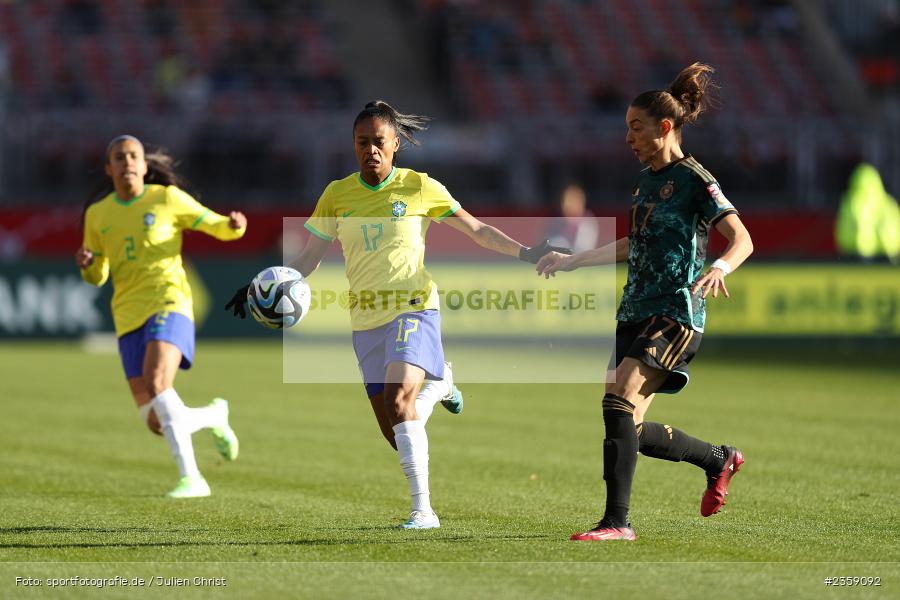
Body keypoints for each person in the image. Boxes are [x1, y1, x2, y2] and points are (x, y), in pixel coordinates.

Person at [226, 100, 568, 529]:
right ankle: (439, 385)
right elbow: (310, 257)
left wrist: (526, 251)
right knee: (397, 430)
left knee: (399, 402)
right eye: (361, 142)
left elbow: (477, 230)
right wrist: (259, 286)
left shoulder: (419, 187)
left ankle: (423, 511)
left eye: (378, 141)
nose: (370, 150)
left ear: (395, 144)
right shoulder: (337, 194)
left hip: (415, 307)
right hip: (365, 321)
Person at [537, 63, 754, 541]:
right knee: (627, 426)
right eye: (627, 128)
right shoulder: (642, 183)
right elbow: (634, 243)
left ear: (665, 127)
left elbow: (742, 239)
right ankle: (718, 459)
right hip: (634, 309)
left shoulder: (696, 179)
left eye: (636, 128)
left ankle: (617, 523)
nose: (628, 138)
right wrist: (573, 261)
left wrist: (720, 267)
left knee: (617, 399)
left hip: (675, 311)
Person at [76, 135, 247, 498]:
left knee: (157, 382)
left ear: (143, 165)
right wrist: (88, 265)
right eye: (119, 157)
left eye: (133, 156)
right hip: (127, 316)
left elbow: (216, 225)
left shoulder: (166, 198)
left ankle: (193, 478)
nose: (127, 162)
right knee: (156, 421)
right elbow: (97, 275)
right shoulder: (97, 214)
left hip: (170, 302)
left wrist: (234, 226)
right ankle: (213, 416)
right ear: (109, 168)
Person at [545, 183, 599, 253]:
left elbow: (584, 249)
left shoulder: (587, 222)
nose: (568, 206)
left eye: (573, 201)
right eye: (565, 202)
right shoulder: (556, 221)